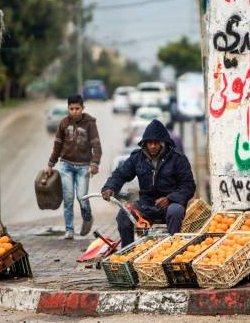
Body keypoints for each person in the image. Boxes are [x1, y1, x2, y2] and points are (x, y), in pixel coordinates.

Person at [101, 119, 195, 247]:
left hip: (171, 205)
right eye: (149, 143)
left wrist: (169, 198)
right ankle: (128, 252)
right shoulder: (137, 158)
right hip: (146, 205)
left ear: (164, 143)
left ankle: (173, 252)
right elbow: (120, 175)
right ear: (144, 143)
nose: (153, 146)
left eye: (156, 143)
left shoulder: (178, 159)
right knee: (123, 215)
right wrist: (110, 187)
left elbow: (189, 186)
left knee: (175, 211)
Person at [45, 94, 101, 239]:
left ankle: (87, 218)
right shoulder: (63, 123)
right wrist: (50, 164)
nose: (74, 111)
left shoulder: (90, 123)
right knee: (68, 198)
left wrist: (95, 163)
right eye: (72, 108)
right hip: (66, 165)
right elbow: (57, 145)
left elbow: (96, 145)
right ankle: (69, 229)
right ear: (68, 108)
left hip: (84, 167)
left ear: (83, 108)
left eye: (77, 108)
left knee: (82, 197)